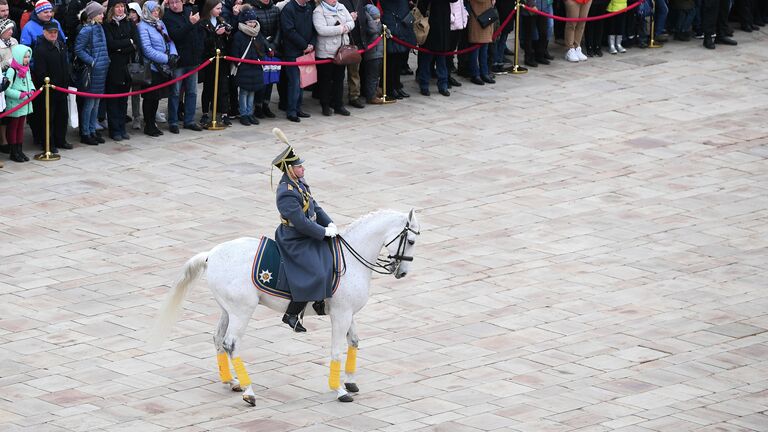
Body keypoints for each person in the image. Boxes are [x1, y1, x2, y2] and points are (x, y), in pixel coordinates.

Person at [272, 144, 338, 333]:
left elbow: (314, 206)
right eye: (299, 166)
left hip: (306, 232)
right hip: (293, 238)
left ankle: (319, 300)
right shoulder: (286, 192)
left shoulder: (299, 182)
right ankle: (292, 313)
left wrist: (329, 224)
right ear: (290, 170)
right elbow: (300, 222)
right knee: (314, 271)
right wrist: (321, 232)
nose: (303, 168)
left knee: (329, 254)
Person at [137, 0, 178, 137]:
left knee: (156, 98)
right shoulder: (142, 26)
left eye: (157, 10)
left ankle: (152, 122)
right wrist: (166, 58)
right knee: (150, 97)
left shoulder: (160, 23)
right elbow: (147, 49)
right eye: (153, 10)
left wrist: (173, 54)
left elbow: (169, 40)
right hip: (152, 67)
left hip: (163, 66)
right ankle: (148, 124)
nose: (156, 12)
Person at [163, 0, 205, 133]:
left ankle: (189, 120)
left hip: (193, 59)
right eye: (171, 3)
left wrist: (199, 50)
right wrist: (190, 23)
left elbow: (199, 31)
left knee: (192, 91)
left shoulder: (189, 11)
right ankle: (173, 121)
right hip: (179, 62)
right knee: (175, 92)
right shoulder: (168, 17)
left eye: (177, 2)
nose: (174, 5)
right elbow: (175, 36)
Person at [31, 21, 69, 152]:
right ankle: (48, 142)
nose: (53, 34)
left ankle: (61, 139)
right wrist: (49, 84)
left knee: (62, 115)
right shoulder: (40, 49)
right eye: (50, 32)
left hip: (62, 87)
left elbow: (65, 64)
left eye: (55, 32)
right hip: (49, 89)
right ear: (44, 32)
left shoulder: (61, 45)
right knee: (48, 117)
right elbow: (40, 71)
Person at [75, 1, 109, 145]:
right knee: (89, 104)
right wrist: (92, 61)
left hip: (101, 70)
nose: (103, 15)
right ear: (93, 15)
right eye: (100, 13)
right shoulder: (86, 29)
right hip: (92, 71)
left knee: (96, 103)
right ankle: (85, 132)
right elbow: (78, 49)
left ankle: (92, 129)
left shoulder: (99, 27)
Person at [103, 0, 136, 141]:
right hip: (113, 67)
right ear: (112, 9)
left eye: (122, 6)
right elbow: (111, 44)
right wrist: (127, 42)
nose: (120, 9)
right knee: (113, 100)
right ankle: (114, 129)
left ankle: (122, 128)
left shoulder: (129, 23)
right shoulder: (107, 25)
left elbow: (135, 43)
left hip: (126, 66)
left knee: (123, 99)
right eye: (117, 7)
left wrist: (122, 47)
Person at [313, 0, 354, 116]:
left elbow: (351, 22)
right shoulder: (318, 11)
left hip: (341, 50)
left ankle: (338, 104)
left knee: (339, 78)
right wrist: (340, 29)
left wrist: (346, 27)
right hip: (326, 51)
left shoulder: (341, 7)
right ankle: (325, 105)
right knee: (325, 80)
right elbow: (321, 29)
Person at [280, 0, 315, 122]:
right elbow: (289, 31)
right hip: (292, 52)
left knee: (302, 82)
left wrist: (311, 44)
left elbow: (313, 28)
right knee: (294, 82)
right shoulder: (289, 9)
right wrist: (304, 45)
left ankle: (298, 108)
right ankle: (291, 111)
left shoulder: (309, 7)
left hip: (306, 51)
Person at [231, 5, 266, 125]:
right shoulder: (239, 35)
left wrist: (261, 59)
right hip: (244, 67)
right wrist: (238, 63)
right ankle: (243, 114)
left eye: (253, 21)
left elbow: (262, 49)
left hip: (256, 66)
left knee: (252, 91)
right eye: (249, 22)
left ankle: (250, 113)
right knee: (244, 92)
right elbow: (235, 52)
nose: (252, 24)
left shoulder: (258, 34)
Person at [199, 0, 232, 127]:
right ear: (210, 8)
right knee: (208, 87)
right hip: (209, 59)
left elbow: (228, 41)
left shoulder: (221, 21)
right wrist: (215, 33)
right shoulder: (203, 23)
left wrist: (227, 34)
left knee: (223, 87)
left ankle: (224, 113)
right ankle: (205, 113)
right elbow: (203, 42)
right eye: (217, 8)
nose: (220, 11)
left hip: (222, 59)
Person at [416, 0, 456, 97]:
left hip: (443, 22)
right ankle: (424, 84)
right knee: (426, 57)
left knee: (441, 58)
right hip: (430, 23)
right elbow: (422, 5)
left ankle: (443, 85)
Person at [4, 44, 34, 163]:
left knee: (21, 127)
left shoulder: (26, 69)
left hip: (24, 104)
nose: (27, 59)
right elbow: (7, 89)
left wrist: (32, 90)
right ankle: (13, 151)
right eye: (24, 57)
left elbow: (30, 81)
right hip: (15, 104)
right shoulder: (12, 71)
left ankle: (20, 150)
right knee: (13, 127)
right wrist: (19, 94)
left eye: (28, 57)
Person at [251, 0, 280, 118]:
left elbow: (279, 29)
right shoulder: (253, 10)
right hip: (260, 48)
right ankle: (257, 106)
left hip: (274, 48)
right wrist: (267, 46)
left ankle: (266, 104)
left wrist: (274, 44)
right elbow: (256, 32)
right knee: (261, 79)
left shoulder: (275, 9)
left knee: (271, 78)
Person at [466, 0, 495, 85]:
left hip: (486, 14)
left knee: (484, 49)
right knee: (475, 48)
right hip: (477, 16)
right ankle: (475, 74)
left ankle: (484, 72)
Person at [0, 17, 16, 156]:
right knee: (3, 112)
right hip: (2, 80)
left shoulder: (14, 42)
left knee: (12, 111)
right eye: (8, 29)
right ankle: (3, 140)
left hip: (15, 79)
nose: (11, 31)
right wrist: (7, 64)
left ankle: (12, 140)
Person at [361, 3, 383, 104]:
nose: (377, 20)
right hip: (372, 55)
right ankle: (371, 96)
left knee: (376, 75)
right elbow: (374, 30)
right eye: (375, 18)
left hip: (378, 53)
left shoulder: (376, 23)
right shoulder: (370, 24)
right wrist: (371, 19)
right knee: (372, 77)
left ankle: (374, 91)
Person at [127, 1, 142, 130]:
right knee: (131, 92)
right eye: (130, 12)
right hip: (129, 61)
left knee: (138, 91)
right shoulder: (127, 26)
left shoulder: (142, 25)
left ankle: (138, 116)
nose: (132, 15)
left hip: (140, 61)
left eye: (134, 12)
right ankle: (134, 116)